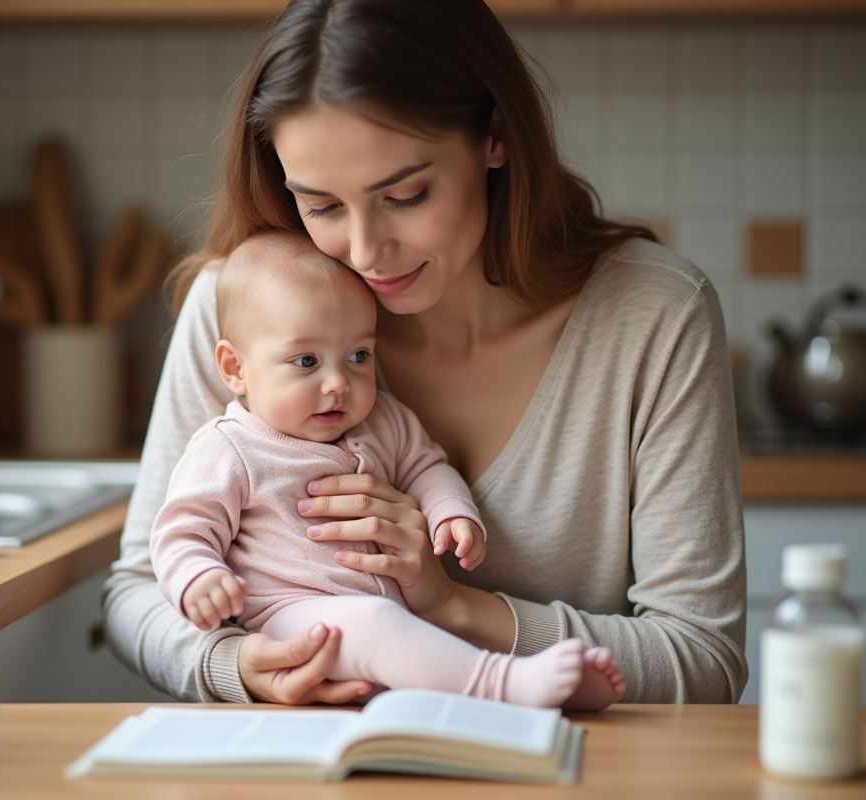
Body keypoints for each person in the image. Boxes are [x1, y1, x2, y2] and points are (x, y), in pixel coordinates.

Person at [104, 0, 747, 706]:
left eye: (405, 195)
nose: (365, 252)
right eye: (322, 206)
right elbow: (136, 591)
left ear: (495, 137)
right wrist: (235, 663)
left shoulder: (654, 315)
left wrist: (453, 605)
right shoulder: (245, 311)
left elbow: (704, 661)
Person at [149, 231, 626, 709]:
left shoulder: (384, 419)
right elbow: (180, 532)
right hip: (292, 622)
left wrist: (450, 511)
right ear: (235, 368)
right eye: (306, 361)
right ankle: (507, 684)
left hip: (393, 623)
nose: (338, 383)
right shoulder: (229, 447)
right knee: (378, 624)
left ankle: (550, 692)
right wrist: (199, 577)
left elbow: (427, 466)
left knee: (413, 638)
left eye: (358, 356)